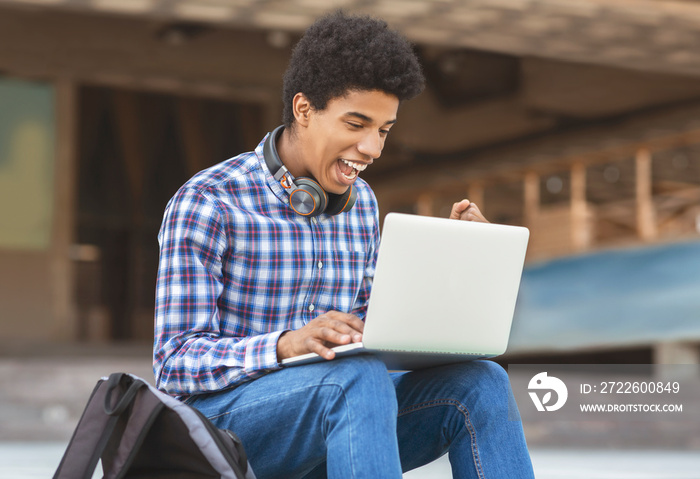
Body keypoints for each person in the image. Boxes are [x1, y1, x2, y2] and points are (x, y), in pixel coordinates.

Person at [154, 11, 535, 479]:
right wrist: (286, 345)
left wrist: (457, 274)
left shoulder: (361, 206)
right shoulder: (209, 200)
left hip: (341, 409)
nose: (373, 148)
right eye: (356, 124)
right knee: (353, 379)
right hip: (225, 431)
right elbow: (175, 364)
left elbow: (369, 328)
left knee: (482, 384)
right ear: (304, 110)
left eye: (383, 130)